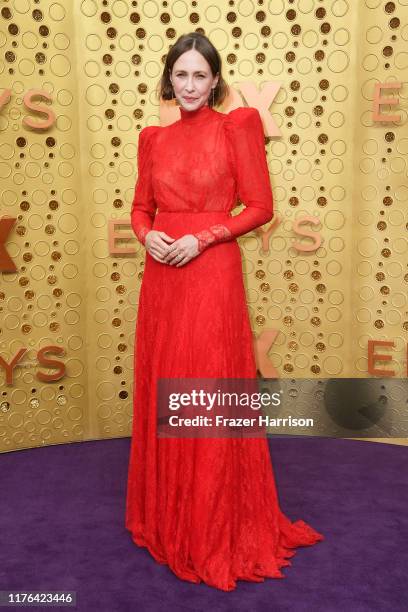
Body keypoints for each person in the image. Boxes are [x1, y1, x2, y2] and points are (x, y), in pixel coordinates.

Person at [125, 32, 324, 592]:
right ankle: (170, 517)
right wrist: (147, 237)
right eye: (180, 75)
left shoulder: (237, 127)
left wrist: (206, 236)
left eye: (200, 75)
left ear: (216, 81)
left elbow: (260, 206)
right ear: (170, 79)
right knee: (167, 384)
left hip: (211, 275)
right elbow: (141, 207)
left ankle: (213, 524)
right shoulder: (152, 139)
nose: (190, 85)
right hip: (163, 277)